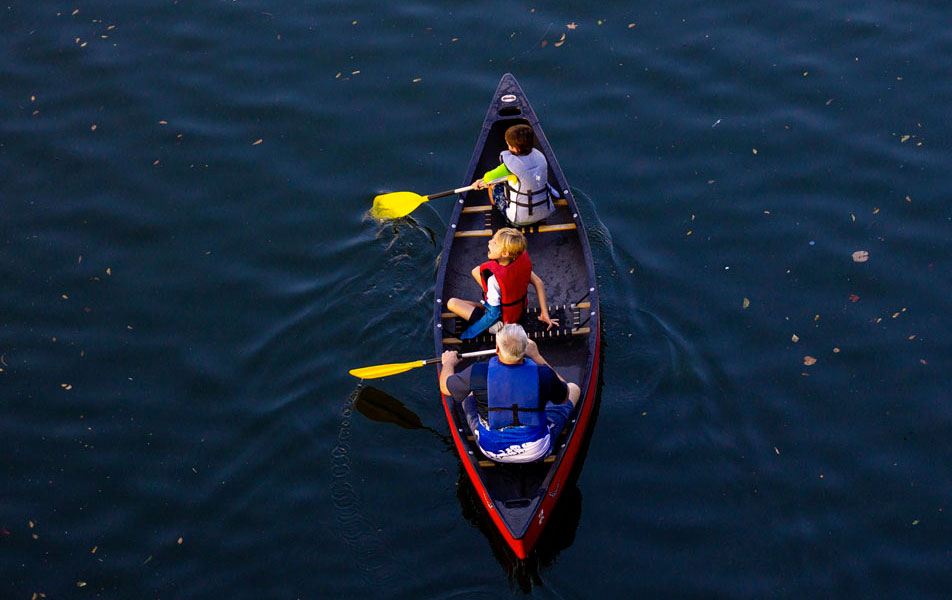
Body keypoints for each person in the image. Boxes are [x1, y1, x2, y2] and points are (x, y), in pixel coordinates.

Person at [439, 324, 581, 463]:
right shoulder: (543, 374)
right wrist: (537, 356)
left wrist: (448, 363)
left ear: (497, 349)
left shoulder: (478, 373)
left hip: (491, 452)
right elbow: (564, 397)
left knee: (468, 391)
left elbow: (445, 388)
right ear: (525, 349)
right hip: (536, 451)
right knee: (574, 388)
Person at [446, 227, 557, 340]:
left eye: (494, 243)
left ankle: (487, 308)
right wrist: (544, 313)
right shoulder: (518, 258)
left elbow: (492, 316)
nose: (489, 242)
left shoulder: (493, 280)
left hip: (501, 323)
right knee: (476, 271)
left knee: (452, 303)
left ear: (505, 253)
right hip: (518, 310)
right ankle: (488, 304)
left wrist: (469, 333)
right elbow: (538, 282)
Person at [472, 124, 556, 226]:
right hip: (545, 213)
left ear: (515, 149)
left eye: (508, 144)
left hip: (518, 220)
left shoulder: (508, 167)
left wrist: (477, 183)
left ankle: (497, 211)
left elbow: (488, 178)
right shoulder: (540, 156)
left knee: (493, 186)